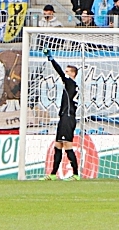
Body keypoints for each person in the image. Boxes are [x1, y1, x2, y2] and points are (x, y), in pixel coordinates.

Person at [43, 49, 81, 180]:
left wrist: (51, 59)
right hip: (64, 117)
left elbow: (58, 71)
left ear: (73, 74)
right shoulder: (71, 86)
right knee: (58, 145)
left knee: (67, 146)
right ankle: (53, 174)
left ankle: (76, 174)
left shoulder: (70, 82)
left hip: (68, 117)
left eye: (68, 71)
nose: (65, 72)